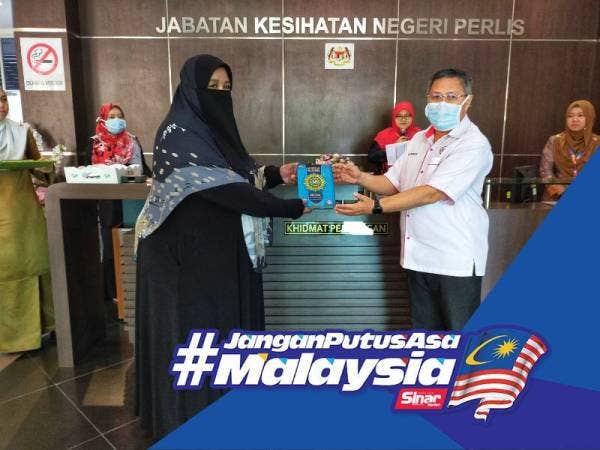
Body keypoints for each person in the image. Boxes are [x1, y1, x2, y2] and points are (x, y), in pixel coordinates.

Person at [134, 54, 306, 438]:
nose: (220, 94)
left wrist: (277, 174)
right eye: (212, 87)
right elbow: (229, 191)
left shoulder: (213, 132)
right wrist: (289, 208)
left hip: (215, 257)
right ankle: (189, 420)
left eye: (226, 88)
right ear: (190, 90)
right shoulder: (178, 133)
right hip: (181, 262)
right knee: (196, 338)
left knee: (222, 335)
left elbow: (238, 176)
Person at [335, 68, 493, 331]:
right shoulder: (419, 139)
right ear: (427, 98)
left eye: (451, 97)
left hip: (454, 260)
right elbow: (393, 182)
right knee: (425, 339)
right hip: (417, 258)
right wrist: (360, 177)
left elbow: (433, 192)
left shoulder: (473, 144)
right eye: (436, 96)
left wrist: (376, 206)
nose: (442, 103)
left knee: (459, 339)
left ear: (468, 101)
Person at [0, 88, 54, 353]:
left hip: (24, 212)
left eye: (3, 98)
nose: (1, 104)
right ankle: (11, 337)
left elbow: (38, 167)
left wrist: (49, 165)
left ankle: (44, 326)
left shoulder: (22, 133)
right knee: (6, 270)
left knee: (35, 262)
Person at [90, 103, 151, 304]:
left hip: (132, 200)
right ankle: (113, 292)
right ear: (103, 120)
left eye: (120, 116)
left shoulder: (132, 140)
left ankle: (136, 289)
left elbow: (143, 169)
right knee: (110, 246)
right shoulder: (96, 143)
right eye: (111, 116)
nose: (117, 120)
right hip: (108, 201)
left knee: (133, 241)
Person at [539, 99, 599, 200]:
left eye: (580, 115)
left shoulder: (597, 143)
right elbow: (545, 171)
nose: (574, 119)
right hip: (556, 196)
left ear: (589, 118)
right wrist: (555, 188)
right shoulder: (555, 141)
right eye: (570, 116)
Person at [367, 101, 421, 174]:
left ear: (412, 117)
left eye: (407, 115)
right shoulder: (384, 135)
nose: (403, 119)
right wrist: (394, 147)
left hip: (413, 177)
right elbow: (371, 157)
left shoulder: (419, 135)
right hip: (387, 177)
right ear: (394, 117)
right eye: (399, 116)